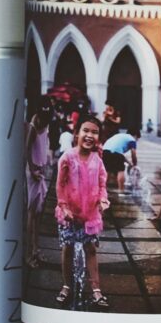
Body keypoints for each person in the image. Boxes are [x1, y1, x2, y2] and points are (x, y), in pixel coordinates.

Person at [52, 116, 108, 308]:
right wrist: (63, 206)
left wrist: (103, 200)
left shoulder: (98, 161)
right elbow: (59, 185)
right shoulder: (67, 157)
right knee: (67, 249)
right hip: (69, 213)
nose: (90, 135)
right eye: (86, 130)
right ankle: (67, 285)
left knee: (90, 250)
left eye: (95, 132)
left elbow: (102, 184)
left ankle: (96, 290)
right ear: (77, 133)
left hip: (90, 214)